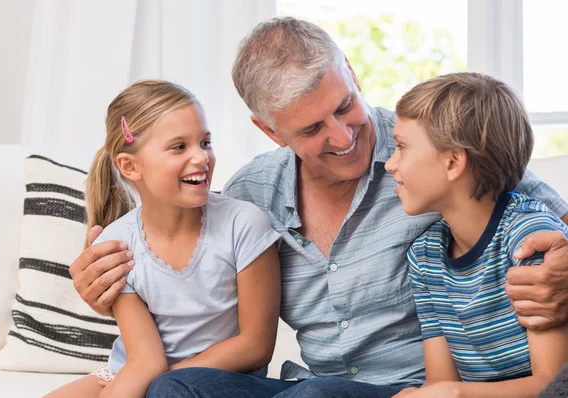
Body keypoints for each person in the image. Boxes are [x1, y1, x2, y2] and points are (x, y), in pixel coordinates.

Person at [69, 18, 568, 398]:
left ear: (350, 72)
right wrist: (108, 282)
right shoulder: (248, 198)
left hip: (400, 389)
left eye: (344, 105)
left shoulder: (435, 155)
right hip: (313, 386)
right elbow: (180, 275)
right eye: (310, 129)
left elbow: (538, 216)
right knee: (177, 390)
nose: (344, 136)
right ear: (269, 130)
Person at [47, 80, 281, 398]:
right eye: (179, 147)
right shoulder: (117, 246)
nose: (201, 157)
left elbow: (255, 346)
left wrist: (158, 386)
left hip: (207, 383)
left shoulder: (244, 224)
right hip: (133, 370)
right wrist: (136, 385)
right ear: (130, 166)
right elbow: (144, 359)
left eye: (205, 142)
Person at [382, 73, 568, 398]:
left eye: (401, 147)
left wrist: (456, 394)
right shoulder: (425, 257)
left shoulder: (530, 240)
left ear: (453, 162)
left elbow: (554, 386)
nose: (390, 164)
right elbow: (440, 383)